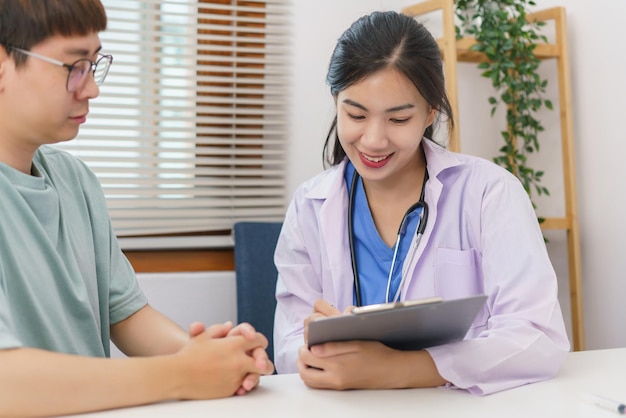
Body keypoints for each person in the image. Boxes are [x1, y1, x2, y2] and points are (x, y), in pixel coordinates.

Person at [273, 10, 569, 396]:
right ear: (336, 102)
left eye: (398, 119)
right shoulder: (310, 206)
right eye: (356, 114)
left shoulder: (488, 193)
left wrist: (402, 369)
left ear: (431, 112)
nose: (374, 140)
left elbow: (537, 337)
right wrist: (317, 353)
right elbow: (289, 340)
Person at [0, 1, 273, 416]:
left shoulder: (75, 180)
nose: (91, 88)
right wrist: (184, 374)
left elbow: (127, 316)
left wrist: (217, 359)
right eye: (75, 65)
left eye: (94, 64)